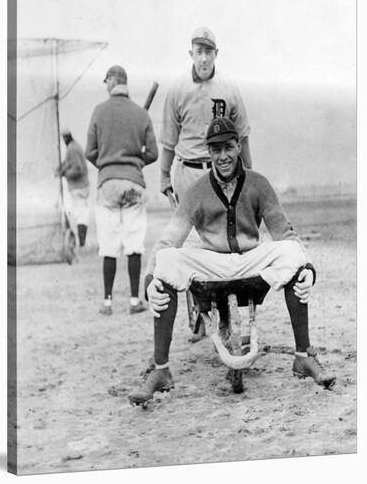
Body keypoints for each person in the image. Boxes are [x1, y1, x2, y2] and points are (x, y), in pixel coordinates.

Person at [129, 117, 335, 404]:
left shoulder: (258, 184)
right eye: (215, 150)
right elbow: (170, 239)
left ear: (238, 146)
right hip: (213, 264)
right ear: (208, 153)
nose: (223, 156)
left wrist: (308, 270)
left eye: (228, 147)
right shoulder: (197, 190)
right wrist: (151, 280)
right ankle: (160, 370)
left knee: (293, 253)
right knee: (166, 260)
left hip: (251, 260)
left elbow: (285, 232)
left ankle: (304, 357)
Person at [85, 65, 158, 316]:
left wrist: (107, 166)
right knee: (134, 243)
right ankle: (135, 301)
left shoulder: (98, 111)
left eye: (106, 81)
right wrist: (135, 161)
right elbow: (153, 153)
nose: (105, 85)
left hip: (107, 184)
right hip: (134, 184)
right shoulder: (140, 114)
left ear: (112, 82)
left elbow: (90, 152)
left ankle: (107, 303)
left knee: (108, 244)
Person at [160, 26, 251, 203]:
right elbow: (169, 140)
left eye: (208, 52)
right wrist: (164, 176)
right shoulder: (177, 88)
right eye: (199, 52)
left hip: (222, 172)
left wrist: (249, 174)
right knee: (190, 230)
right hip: (187, 172)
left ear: (216, 53)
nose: (204, 58)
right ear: (191, 54)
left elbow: (243, 136)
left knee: (223, 229)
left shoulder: (229, 88)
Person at [56, 128, 90, 248]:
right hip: (81, 187)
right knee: (81, 214)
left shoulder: (72, 149)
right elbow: (69, 163)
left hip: (78, 187)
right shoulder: (74, 147)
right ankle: (80, 243)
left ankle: (81, 244)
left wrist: (64, 174)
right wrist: (62, 168)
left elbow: (78, 169)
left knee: (79, 215)